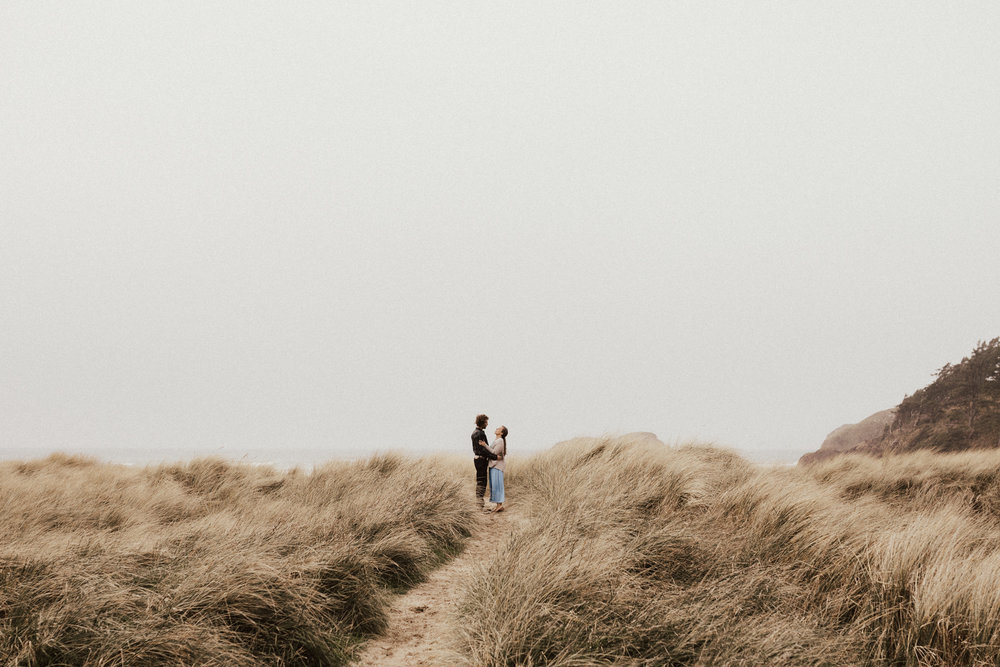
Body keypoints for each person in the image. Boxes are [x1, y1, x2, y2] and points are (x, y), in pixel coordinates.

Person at [471, 414, 497, 508]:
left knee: (480, 480)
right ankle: (479, 505)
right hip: (481, 460)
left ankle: (479, 504)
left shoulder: (475, 432)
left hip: (478, 459)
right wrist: (495, 457)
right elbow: (483, 449)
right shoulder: (480, 433)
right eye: (486, 422)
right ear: (482, 422)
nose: (487, 424)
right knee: (482, 481)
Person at [488, 425, 507, 512]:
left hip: (497, 466)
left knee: (498, 485)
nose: (496, 429)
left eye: (499, 429)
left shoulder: (500, 440)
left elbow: (494, 452)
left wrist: (484, 445)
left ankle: (499, 505)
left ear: (502, 433)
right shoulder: (497, 440)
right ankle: (499, 505)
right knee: (495, 485)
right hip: (494, 465)